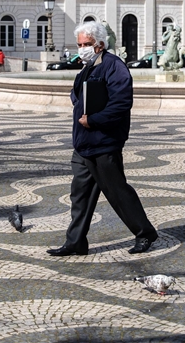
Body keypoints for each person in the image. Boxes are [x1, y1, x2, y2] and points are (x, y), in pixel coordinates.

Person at [48, 21, 158, 257]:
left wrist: (94, 120)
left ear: (99, 44)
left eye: (86, 44)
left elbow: (121, 103)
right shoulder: (86, 67)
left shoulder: (113, 66)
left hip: (104, 142)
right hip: (83, 145)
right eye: (79, 44)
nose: (82, 49)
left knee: (117, 192)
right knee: (79, 195)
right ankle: (75, 242)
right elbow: (77, 95)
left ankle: (145, 233)